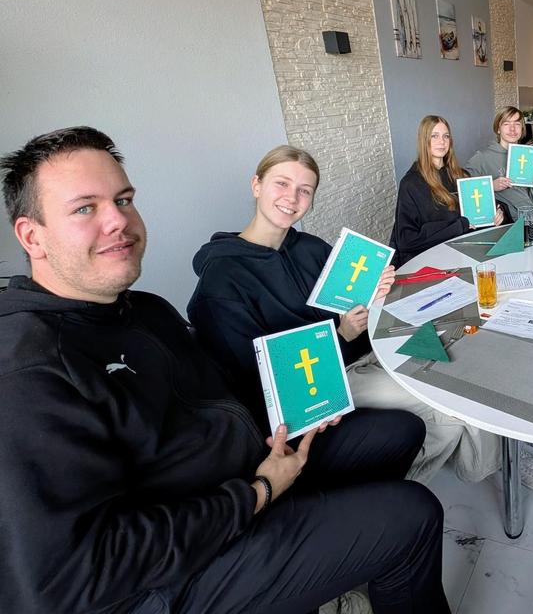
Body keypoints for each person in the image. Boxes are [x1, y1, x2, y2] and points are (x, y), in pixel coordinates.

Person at [0, 126, 449, 614]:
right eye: (85, 208)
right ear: (32, 236)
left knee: (402, 431)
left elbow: (227, 390)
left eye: (124, 200)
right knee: (414, 514)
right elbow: (77, 574)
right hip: (180, 570)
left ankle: (339, 571)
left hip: (252, 457)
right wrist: (258, 492)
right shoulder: (28, 370)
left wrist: (304, 407)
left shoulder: (145, 309)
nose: (117, 221)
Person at [188, 143, 533, 490]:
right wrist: (342, 334)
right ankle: (485, 466)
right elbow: (260, 378)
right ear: (257, 185)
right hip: (326, 383)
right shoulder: (222, 279)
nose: (292, 198)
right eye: (281, 184)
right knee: (451, 401)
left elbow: (348, 304)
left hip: (368, 349)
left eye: (304, 190)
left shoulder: (309, 247)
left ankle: (438, 461)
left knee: (466, 352)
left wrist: (373, 293)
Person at [391, 115, 503, 266]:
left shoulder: (461, 176)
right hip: (430, 262)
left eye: (446, 136)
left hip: (465, 253)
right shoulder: (411, 184)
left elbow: (477, 217)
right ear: (424, 140)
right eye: (434, 136)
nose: (442, 141)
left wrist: (495, 214)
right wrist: (458, 226)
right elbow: (407, 240)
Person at [467, 106, 533, 222]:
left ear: (522, 129)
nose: (512, 129)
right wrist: (491, 186)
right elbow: (465, 192)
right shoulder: (481, 158)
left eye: (517, 124)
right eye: (506, 124)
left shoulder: (527, 155)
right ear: (498, 129)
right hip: (512, 223)